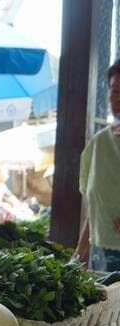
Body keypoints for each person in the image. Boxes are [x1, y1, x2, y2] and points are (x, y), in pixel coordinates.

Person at [77, 58, 120, 270]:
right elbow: (94, 205)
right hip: (100, 254)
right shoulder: (99, 143)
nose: (117, 98)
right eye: (115, 90)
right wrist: (81, 250)